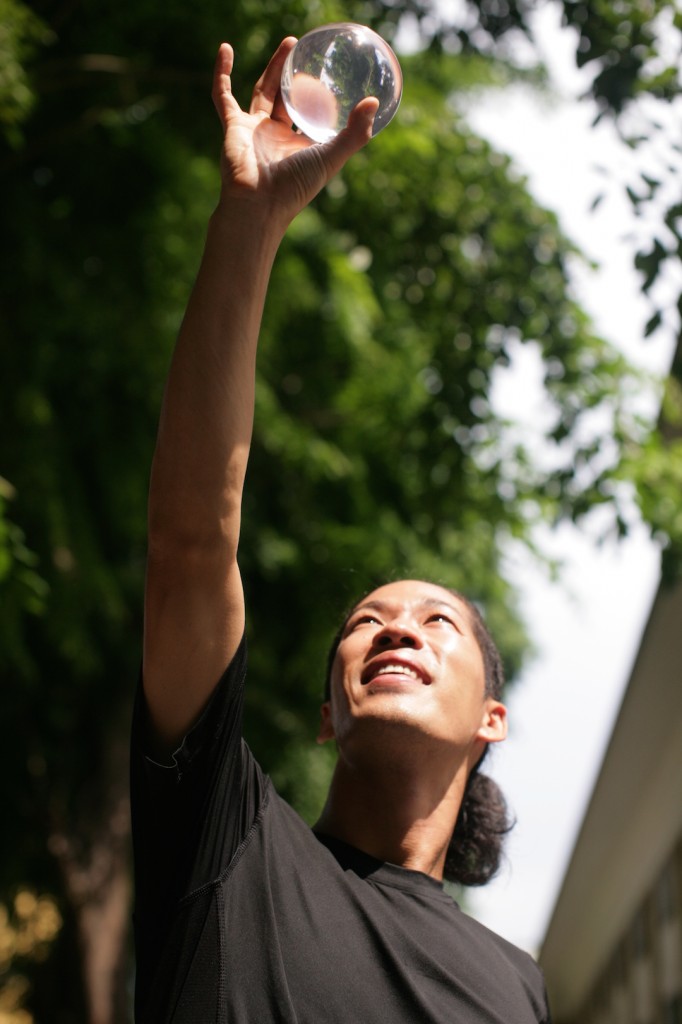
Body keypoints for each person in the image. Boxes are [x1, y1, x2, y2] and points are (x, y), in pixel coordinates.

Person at [130, 37, 552, 1023]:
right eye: (366, 621)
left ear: (493, 716)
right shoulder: (223, 837)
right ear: (327, 712)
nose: (397, 626)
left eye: (436, 622)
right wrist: (251, 220)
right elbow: (191, 548)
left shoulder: (514, 985)